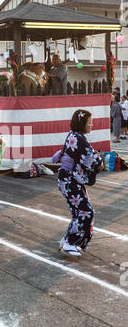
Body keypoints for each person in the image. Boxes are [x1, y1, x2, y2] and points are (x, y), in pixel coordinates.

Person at [56, 109, 103, 257]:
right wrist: (99, 162)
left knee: (78, 212)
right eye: (89, 122)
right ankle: (71, 242)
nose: (91, 125)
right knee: (86, 212)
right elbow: (92, 160)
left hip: (67, 179)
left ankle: (66, 240)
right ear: (82, 123)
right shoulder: (79, 138)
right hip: (70, 180)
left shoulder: (74, 135)